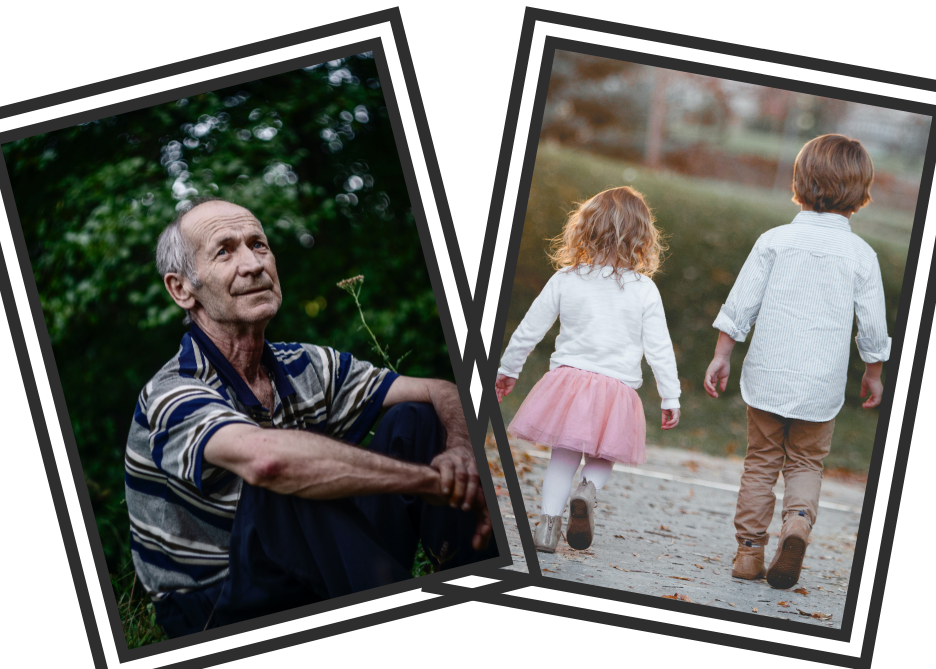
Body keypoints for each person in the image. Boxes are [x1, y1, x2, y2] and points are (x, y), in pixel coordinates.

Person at [125, 197, 496, 638]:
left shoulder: (303, 363)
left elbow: (442, 390)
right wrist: (432, 482)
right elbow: (270, 463)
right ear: (182, 289)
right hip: (214, 605)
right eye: (224, 251)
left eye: (259, 245)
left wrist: (461, 455)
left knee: (416, 419)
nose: (253, 264)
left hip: (311, 565)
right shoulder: (171, 391)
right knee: (282, 481)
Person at [704, 134, 890, 590]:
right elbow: (872, 325)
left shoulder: (774, 241)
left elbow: (741, 304)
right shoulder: (861, 256)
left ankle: (749, 554)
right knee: (806, 463)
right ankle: (796, 526)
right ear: (860, 192)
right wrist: (873, 374)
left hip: (768, 376)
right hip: (819, 385)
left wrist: (722, 354)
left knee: (761, 462)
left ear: (800, 181)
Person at [495, 186, 681, 553]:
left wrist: (508, 368)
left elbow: (530, 329)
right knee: (602, 454)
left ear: (585, 229)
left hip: (568, 385)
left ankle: (547, 528)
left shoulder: (566, 279)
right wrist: (669, 395)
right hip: (617, 390)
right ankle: (588, 491)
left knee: (562, 457)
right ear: (642, 238)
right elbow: (659, 348)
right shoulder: (644, 290)